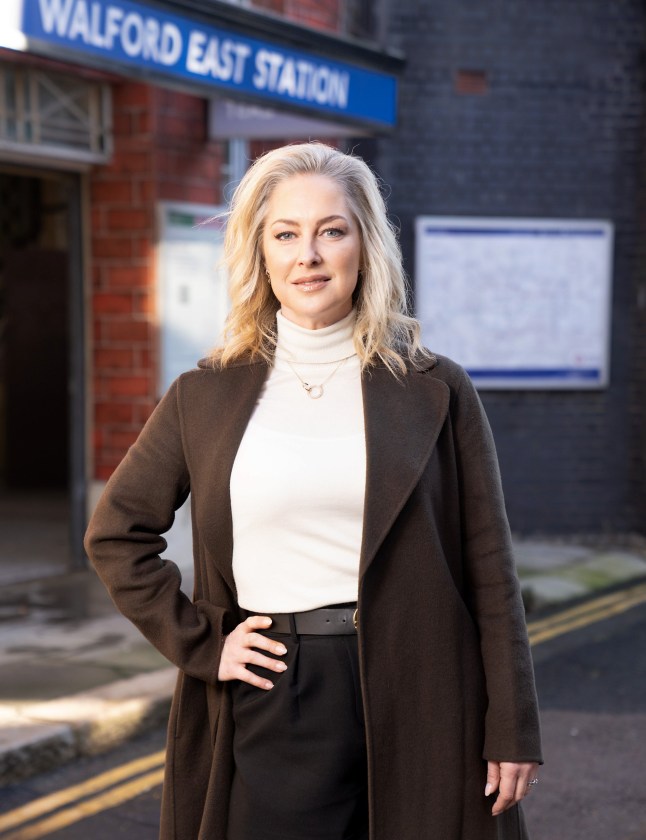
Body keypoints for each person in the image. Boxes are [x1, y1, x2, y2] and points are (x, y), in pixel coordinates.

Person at [84, 141, 542, 840]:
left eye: (332, 230)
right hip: (276, 689)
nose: (310, 255)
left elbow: (490, 567)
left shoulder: (437, 388)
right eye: (286, 234)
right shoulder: (204, 394)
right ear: (260, 253)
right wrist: (204, 642)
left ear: (365, 246)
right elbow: (116, 534)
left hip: (424, 686)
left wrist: (512, 723)